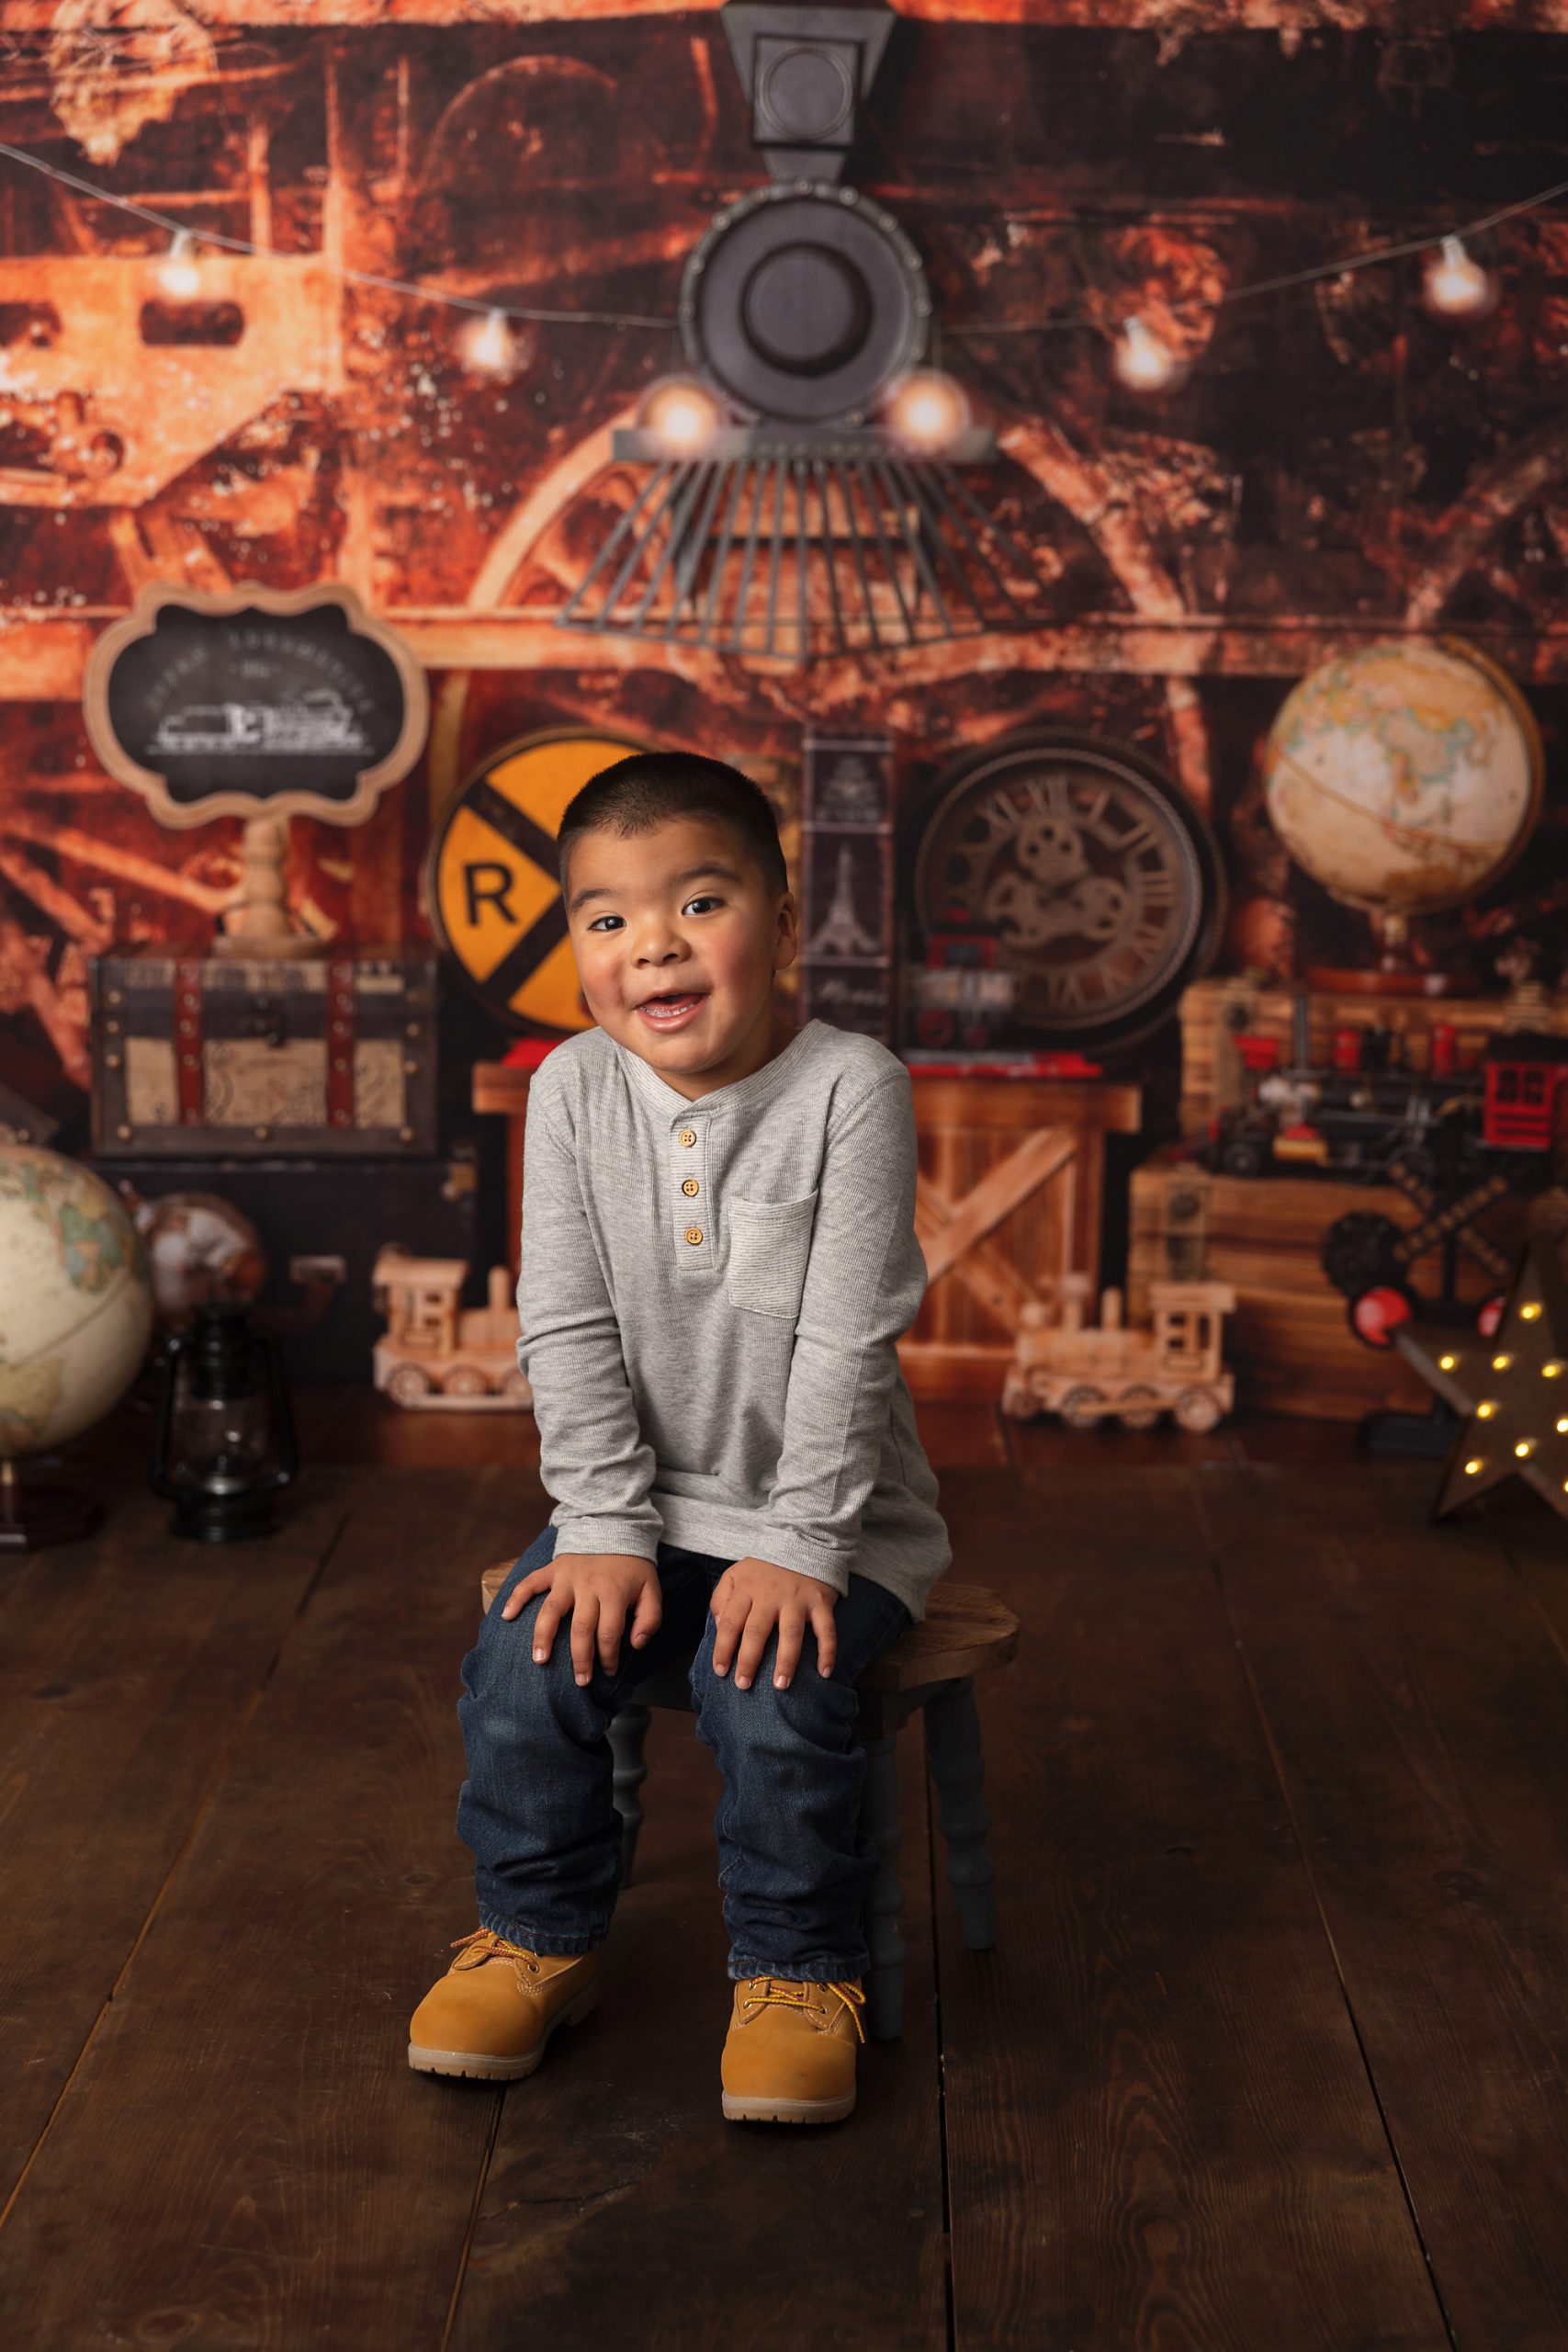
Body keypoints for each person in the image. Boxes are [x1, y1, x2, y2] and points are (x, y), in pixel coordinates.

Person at [408, 750, 952, 2124]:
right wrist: (597, 1524)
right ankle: (539, 1934)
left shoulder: (852, 1088)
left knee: (773, 1690)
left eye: (698, 902)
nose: (651, 943)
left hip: (833, 1517)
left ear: (778, 910)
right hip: (641, 1504)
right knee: (524, 1668)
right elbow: (567, 1320)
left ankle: (795, 1966)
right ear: (577, 948)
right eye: (606, 919)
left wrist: (801, 1544)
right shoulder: (574, 1093)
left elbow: (845, 1339)